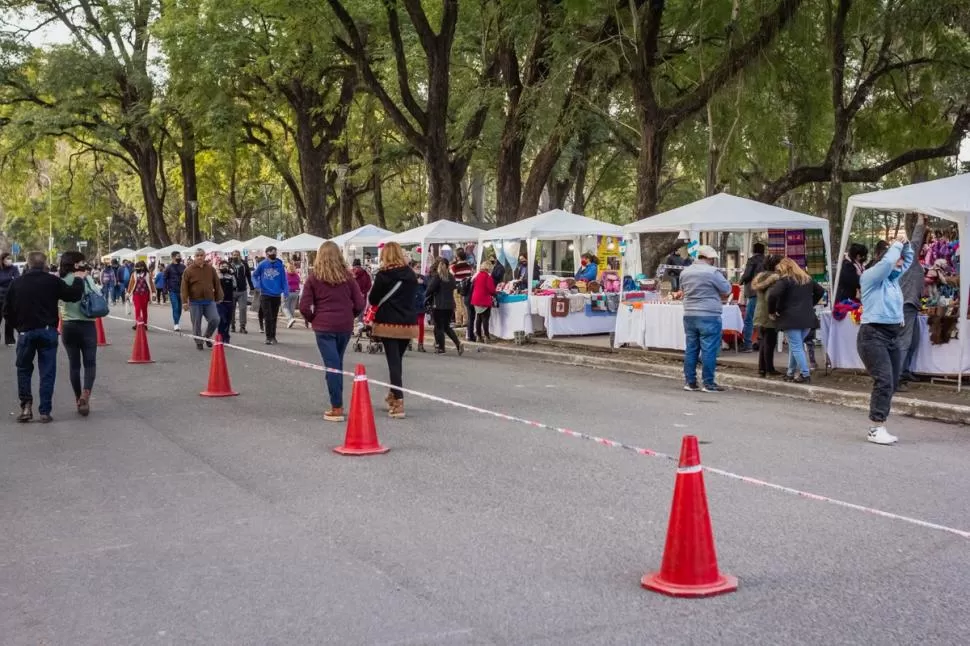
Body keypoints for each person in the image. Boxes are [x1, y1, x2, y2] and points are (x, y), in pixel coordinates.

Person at [3, 251, 86, 422]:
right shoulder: (53, 281)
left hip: (26, 332)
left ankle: (26, 406)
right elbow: (73, 295)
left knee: (24, 370)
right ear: (45, 264)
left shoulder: (17, 283)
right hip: (48, 332)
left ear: (28, 263)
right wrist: (78, 278)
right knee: (47, 372)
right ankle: (45, 411)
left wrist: (18, 327)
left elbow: (7, 311)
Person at [857, 233, 913, 445]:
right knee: (884, 380)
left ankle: (880, 425)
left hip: (892, 336)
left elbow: (907, 261)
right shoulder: (871, 277)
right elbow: (890, 261)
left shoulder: (892, 280)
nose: (899, 263)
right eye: (896, 258)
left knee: (892, 381)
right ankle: (875, 427)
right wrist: (897, 244)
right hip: (872, 335)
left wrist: (905, 246)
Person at [300, 241, 365, 422]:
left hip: (323, 325)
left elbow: (304, 306)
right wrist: (350, 315)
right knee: (337, 363)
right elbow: (360, 304)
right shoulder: (348, 277)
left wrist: (313, 318)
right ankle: (337, 402)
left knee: (332, 365)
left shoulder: (314, 278)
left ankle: (337, 406)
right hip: (344, 325)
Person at [369, 242, 417, 419]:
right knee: (398, 361)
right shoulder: (411, 275)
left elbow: (373, 298)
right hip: (408, 323)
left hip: (388, 323)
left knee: (393, 363)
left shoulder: (383, 275)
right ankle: (393, 393)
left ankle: (399, 400)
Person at [677, 245, 731, 393]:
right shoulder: (713, 272)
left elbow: (683, 289)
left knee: (691, 349)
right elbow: (726, 289)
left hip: (689, 313)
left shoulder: (685, 272)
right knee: (709, 349)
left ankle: (690, 381)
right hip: (709, 313)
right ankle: (708, 383)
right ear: (710, 258)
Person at [766, 258, 825, 384]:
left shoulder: (784, 281)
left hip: (790, 318)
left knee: (796, 347)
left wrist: (772, 311)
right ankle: (790, 373)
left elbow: (772, 295)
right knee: (795, 346)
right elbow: (820, 291)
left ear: (783, 269)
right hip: (807, 318)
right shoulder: (806, 279)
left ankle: (805, 374)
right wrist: (810, 304)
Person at [58, 251, 99, 417]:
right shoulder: (86, 278)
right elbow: (98, 294)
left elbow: (59, 302)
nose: (84, 264)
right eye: (82, 261)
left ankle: (78, 399)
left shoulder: (61, 281)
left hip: (68, 326)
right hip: (88, 325)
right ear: (75, 264)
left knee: (74, 365)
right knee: (90, 363)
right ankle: (85, 394)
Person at [896, 216, 927, 391]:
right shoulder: (908, 257)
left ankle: (905, 371)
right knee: (904, 342)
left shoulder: (903, 261)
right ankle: (898, 378)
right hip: (906, 304)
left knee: (913, 341)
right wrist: (921, 221)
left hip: (910, 304)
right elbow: (917, 237)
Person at [180, 248, 223, 351]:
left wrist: (219, 296)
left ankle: (207, 336)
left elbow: (216, 283)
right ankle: (199, 342)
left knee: (215, 319)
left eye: (201, 255)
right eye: (197, 255)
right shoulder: (188, 270)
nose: (200, 257)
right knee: (196, 323)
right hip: (195, 302)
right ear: (195, 257)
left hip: (209, 300)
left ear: (205, 256)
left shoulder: (210, 269)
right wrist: (184, 302)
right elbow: (184, 287)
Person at [752, 255, 782, 378]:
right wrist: (774, 311)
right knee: (770, 343)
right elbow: (770, 297)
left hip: (759, 313)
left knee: (763, 342)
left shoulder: (760, 278)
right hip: (768, 315)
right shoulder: (774, 280)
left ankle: (762, 369)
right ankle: (769, 368)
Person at [425, 258, 463, 355]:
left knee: (438, 327)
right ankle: (458, 343)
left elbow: (429, 289)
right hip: (450, 305)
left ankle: (441, 348)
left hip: (438, 305)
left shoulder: (437, 277)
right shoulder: (451, 277)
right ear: (448, 265)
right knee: (446, 327)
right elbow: (454, 288)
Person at [252, 246, 288, 345]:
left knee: (274, 317)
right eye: (272, 252)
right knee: (268, 316)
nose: (274, 254)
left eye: (275, 252)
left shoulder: (280, 265)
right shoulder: (262, 264)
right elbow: (254, 275)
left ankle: (273, 336)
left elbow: (284, 279)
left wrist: (286, 291)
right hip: (265, 294)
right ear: (267, 253)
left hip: (276, 294)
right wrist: (257, 285)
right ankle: (268, 337)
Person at [739, 243, 766, 352]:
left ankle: (748, 345)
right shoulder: (767, 260)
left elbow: (747, 275)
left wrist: (741, 281)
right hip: (765, 292)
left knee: (749, 319)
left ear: (753, 250)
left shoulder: (752, 260)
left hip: (754, 292)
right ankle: (762, 343)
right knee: (762, 319)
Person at [451, 249, 475, 340]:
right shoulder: (469, 266)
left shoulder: (454, 267)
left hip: (457, 287)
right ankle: (464, 320)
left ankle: (459, 321)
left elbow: (452, 276)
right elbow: (471, 275)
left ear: (457, 257)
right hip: (467, 287)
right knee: (465, 304)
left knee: (458, 304)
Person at [470, 261, 497, 343]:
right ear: (488, 268)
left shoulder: (477, 275)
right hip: (484, 299)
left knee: (478, 318)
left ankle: (478, 336)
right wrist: (495, 293)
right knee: (485, 319)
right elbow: (491, 289)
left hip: (475, 299)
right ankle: (486, 336)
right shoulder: (488, 277)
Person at [229, 251, 254, 334]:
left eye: (237, 255)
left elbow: (248, 276)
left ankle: (242, 326)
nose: (235, 256)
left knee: (243, 309)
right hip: (231, 291)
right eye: (234, 255)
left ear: (240, 256)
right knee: (231, 309)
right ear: (231, 256)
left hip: (242, 290)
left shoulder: (244, 265)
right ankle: (232, 325)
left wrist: (252, 287)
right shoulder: (229, 265)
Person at [126, 260, 155, 330]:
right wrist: (128, 293)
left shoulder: (147, 275)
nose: (137, 269)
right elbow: (131, 284)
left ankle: (145, 324)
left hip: (145, 294)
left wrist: (153, 293)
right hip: (136, 294)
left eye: (139, 267)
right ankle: (137, 324)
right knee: (137, 309)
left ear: (143, 267)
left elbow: (151, 284)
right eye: (136, 267)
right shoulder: (134, 274)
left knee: (144, 309)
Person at [0, 251, 20, 346]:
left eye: (10, 258)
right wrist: (9, 280)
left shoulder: (14, 268)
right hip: (0, 297)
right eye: (7, 258)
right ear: (2, 260)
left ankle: (9, 340)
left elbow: (17, 280)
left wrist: (7, 282)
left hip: (10, 297)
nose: (9, 260)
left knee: (9, 319)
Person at [163, 252, 186, 331]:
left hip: (182, 290)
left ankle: (177, 322)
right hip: (172, 290)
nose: (179, 258)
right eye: (178, 256)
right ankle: (176, 324)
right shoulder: (168, 267)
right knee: (175, 307)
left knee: (179, 308)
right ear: (173, 257)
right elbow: (164, 279)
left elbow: (187, 278)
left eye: (180, 256)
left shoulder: (183, 267)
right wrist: (165, 290)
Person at [217, 260, 236, 345]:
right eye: (222, 266)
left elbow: (235, 285)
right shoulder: (216, 276)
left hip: (229, 301)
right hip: (219, 302)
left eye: (226, 266)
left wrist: (233, 274)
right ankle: (220, 336)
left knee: (228, 320)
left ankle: (226, 337)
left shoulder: (231, 276)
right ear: (219, 267)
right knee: (222, 319)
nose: (224, 268)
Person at [412, 260, 428, 352]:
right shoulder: (409, 277)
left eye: (419, 267)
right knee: (410, 324)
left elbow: (428, 287)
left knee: (421, 325)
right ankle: (409, 341)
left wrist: (423, 283)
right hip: (411, 304)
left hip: (421, 304)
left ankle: (420, 344)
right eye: (417, 267)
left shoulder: (424, 278)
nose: (418, 269)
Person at [283, 261, 302, 328]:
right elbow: (299, 281)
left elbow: (283, 283)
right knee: (292, 307)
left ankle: (290, 319)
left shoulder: (285, 274)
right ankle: (290, 321)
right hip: (296, 292)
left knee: (285, 307)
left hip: (288, 292)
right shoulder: (296, 275)